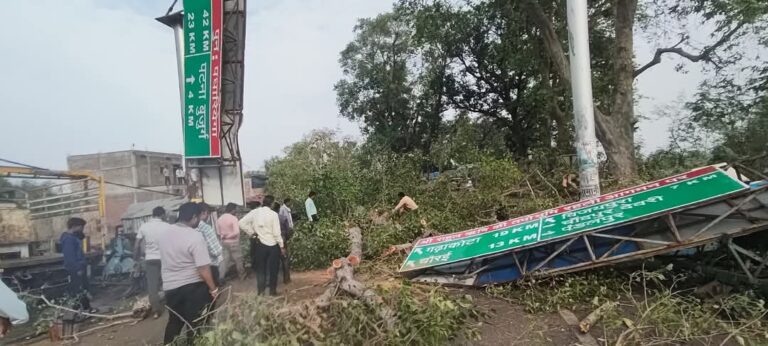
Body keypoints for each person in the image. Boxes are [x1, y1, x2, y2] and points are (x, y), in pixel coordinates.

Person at [158, 202, 218, 345]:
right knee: (195, 322)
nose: (199, 221)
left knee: (174, 321)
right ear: (193, 217)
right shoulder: (195, 236)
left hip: (170, 287)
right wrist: (213, 288)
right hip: (193, 287)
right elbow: (203, 267)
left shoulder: (164, 233)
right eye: (198, 218)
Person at [239, 195, 285, 295]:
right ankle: (272, 292)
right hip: (273, 246)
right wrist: (281, 246)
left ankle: (261, 292)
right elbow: (277, 233)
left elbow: (241, 223)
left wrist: (252, 233)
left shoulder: (255, 212)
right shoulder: (273, 214)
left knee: (261, 269)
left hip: (260, 244)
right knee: (273, 269)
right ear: (272, 204)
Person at [134, 207, 168, 319]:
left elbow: (137, 245)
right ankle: (173, 304)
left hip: (150, 259)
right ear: (162, 215)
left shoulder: (144, 226)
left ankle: (156, 311)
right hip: (165, 258)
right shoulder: (166, 226)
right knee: (168, 281)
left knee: (152, 286)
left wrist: (136, 258)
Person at [60, 217, 94, 312]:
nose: (82, 229)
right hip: (75, 269)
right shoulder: (68, 239)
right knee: (78, 289)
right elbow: (70, 257)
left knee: (83, 288)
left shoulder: (73, 237)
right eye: (81, 227)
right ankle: (78, 310)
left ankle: (86, 309)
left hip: (79, 267)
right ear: (74, 227)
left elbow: (81, 238)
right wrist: (77, 268)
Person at [216, 203, 246, 281]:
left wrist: (224, 236)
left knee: (224, 261)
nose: (236, 211)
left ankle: (221, 277)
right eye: (235, 209)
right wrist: (228, 236)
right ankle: (242, 276)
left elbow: (218, 233)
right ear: (232, 210)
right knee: (238, 259)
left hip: (224, 243)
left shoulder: (219, 219)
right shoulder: (233, 218)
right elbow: (236, 232)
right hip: (234, 242)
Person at [196, 203, 223, 286]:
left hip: (194, 268)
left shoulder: (189, 227)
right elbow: (216, 251)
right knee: (212, 293)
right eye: (208, 213)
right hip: (210, 266)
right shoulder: (206, 228)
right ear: (204, 213)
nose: (208, 216)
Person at [278, 198, 295, 284]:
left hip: (274, 240)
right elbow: (286, 229)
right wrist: (287, 237)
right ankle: (286, 279)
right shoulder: (282, 214)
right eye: (289, 202)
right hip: (282, 238)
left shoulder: (287, 209)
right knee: (284, 258)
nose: (290, 203)